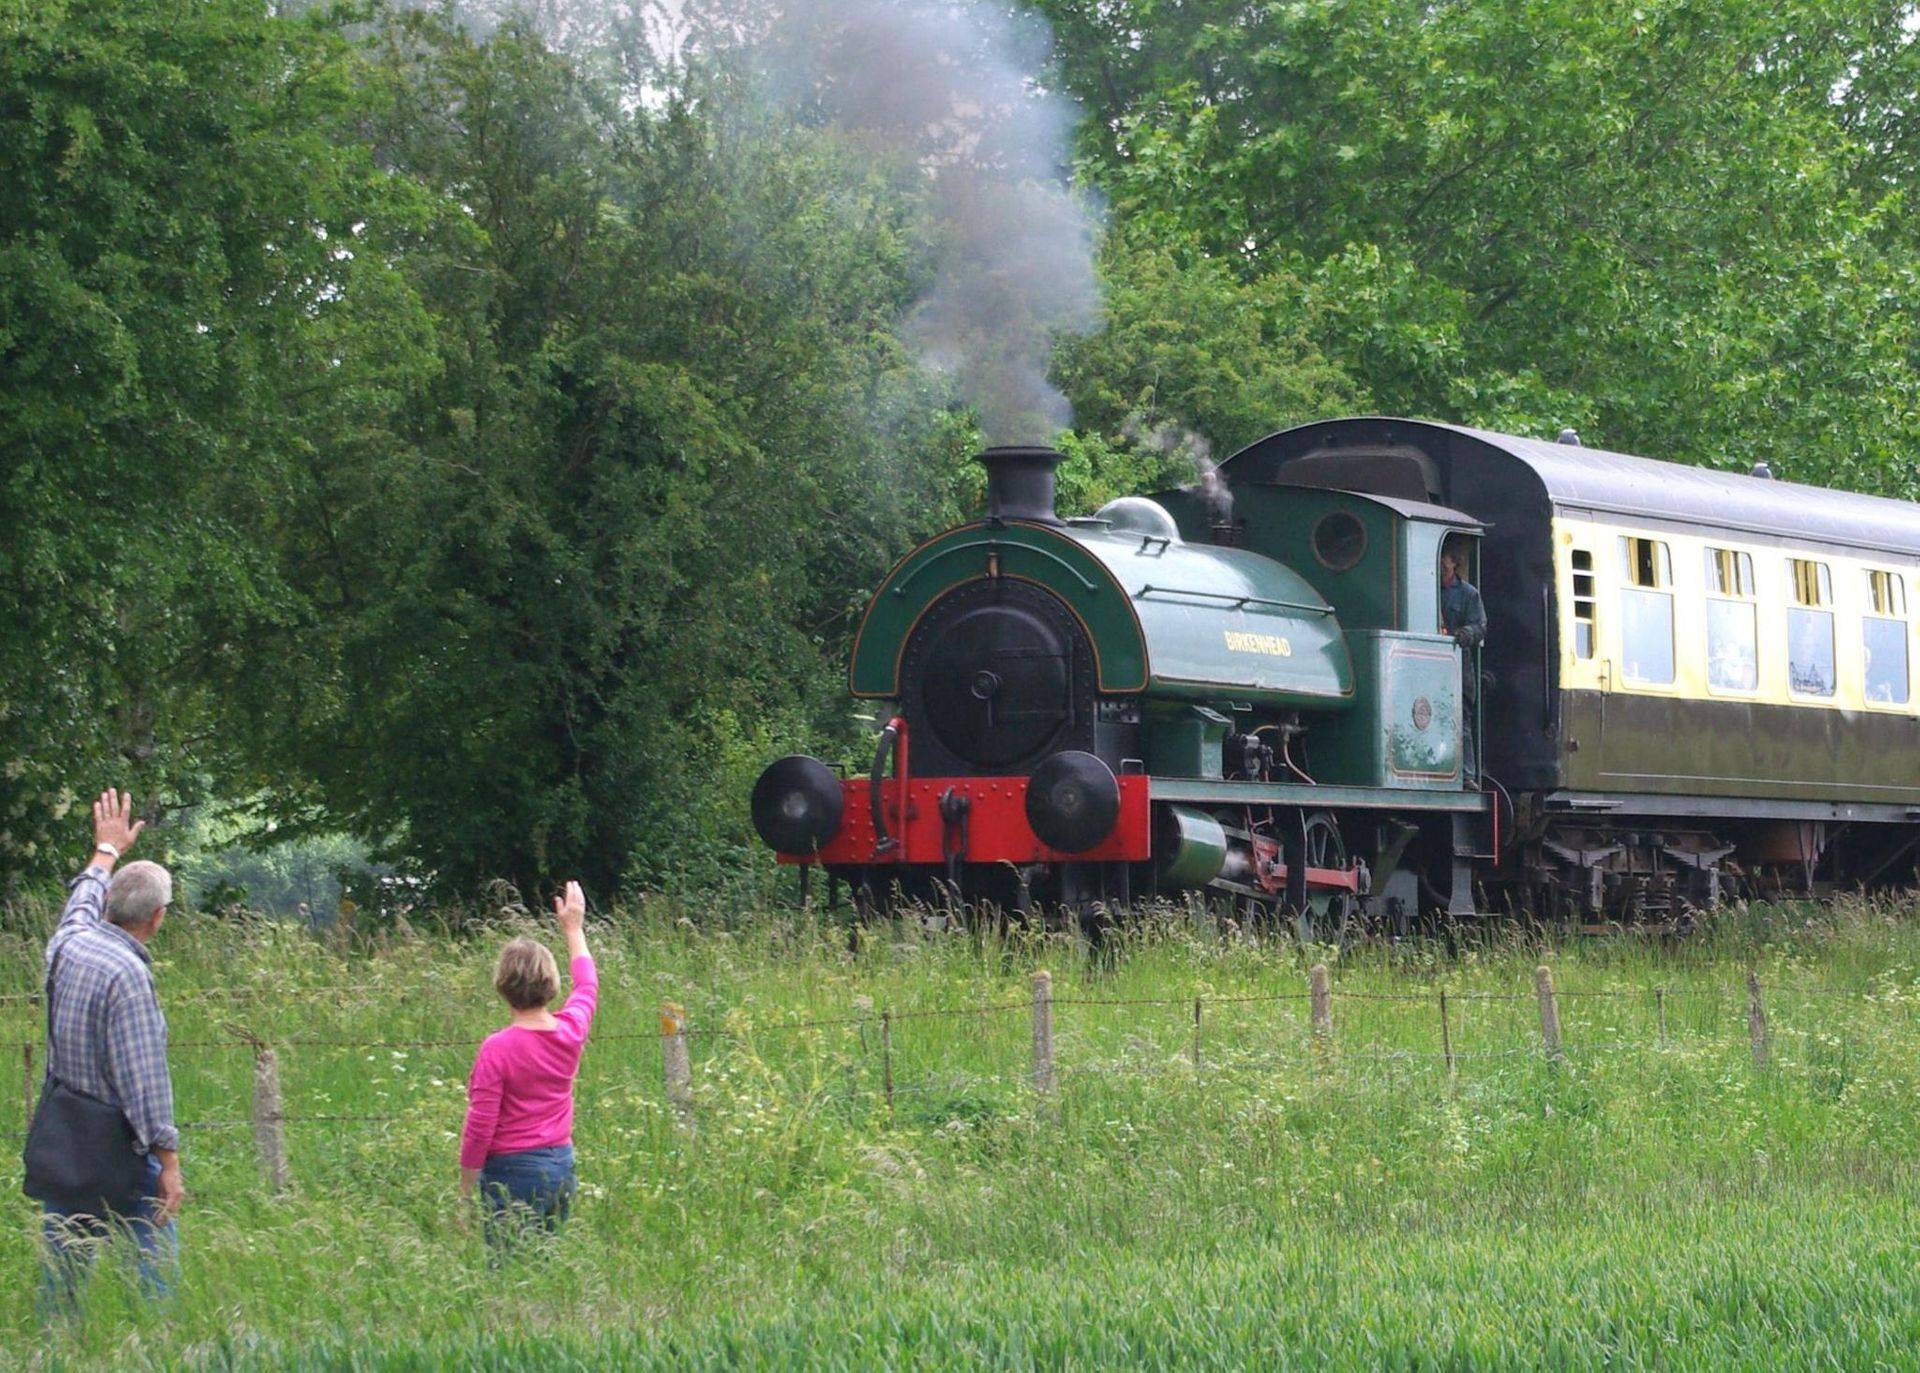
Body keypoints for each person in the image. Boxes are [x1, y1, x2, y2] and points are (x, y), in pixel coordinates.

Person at [37, 789, 184, 1311]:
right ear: (157, 918)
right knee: (155, 1261)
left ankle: (51, 1352)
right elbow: (144, 1082)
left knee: (63, 1268)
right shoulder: (129, 976)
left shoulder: (69, 943)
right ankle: (161, 1347)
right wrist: (168, 1162)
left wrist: (107, 849)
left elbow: (81, 898)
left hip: (68, 1134)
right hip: (120, 1143)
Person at [458, 881, 597, 1245]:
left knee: (507, 1268)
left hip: (511, 1171)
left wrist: (465, 1189)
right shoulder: (570, 1031)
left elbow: (480, 1125)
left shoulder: (497, 1049)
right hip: (561, 1166)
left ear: (502, 985)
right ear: (551, 983)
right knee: (546, 1266)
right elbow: (586, 986)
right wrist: (574, 929)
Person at [1440, 541, 1488, 784]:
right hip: (1433, 664)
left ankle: (1468, 774)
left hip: (1459, 665)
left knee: (1462, 721)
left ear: (1453, 562)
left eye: (1444, 559)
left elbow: (1480, 626)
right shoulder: (1428, 588)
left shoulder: (1469, 594)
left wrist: (1462, 635)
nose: (1440, 563)